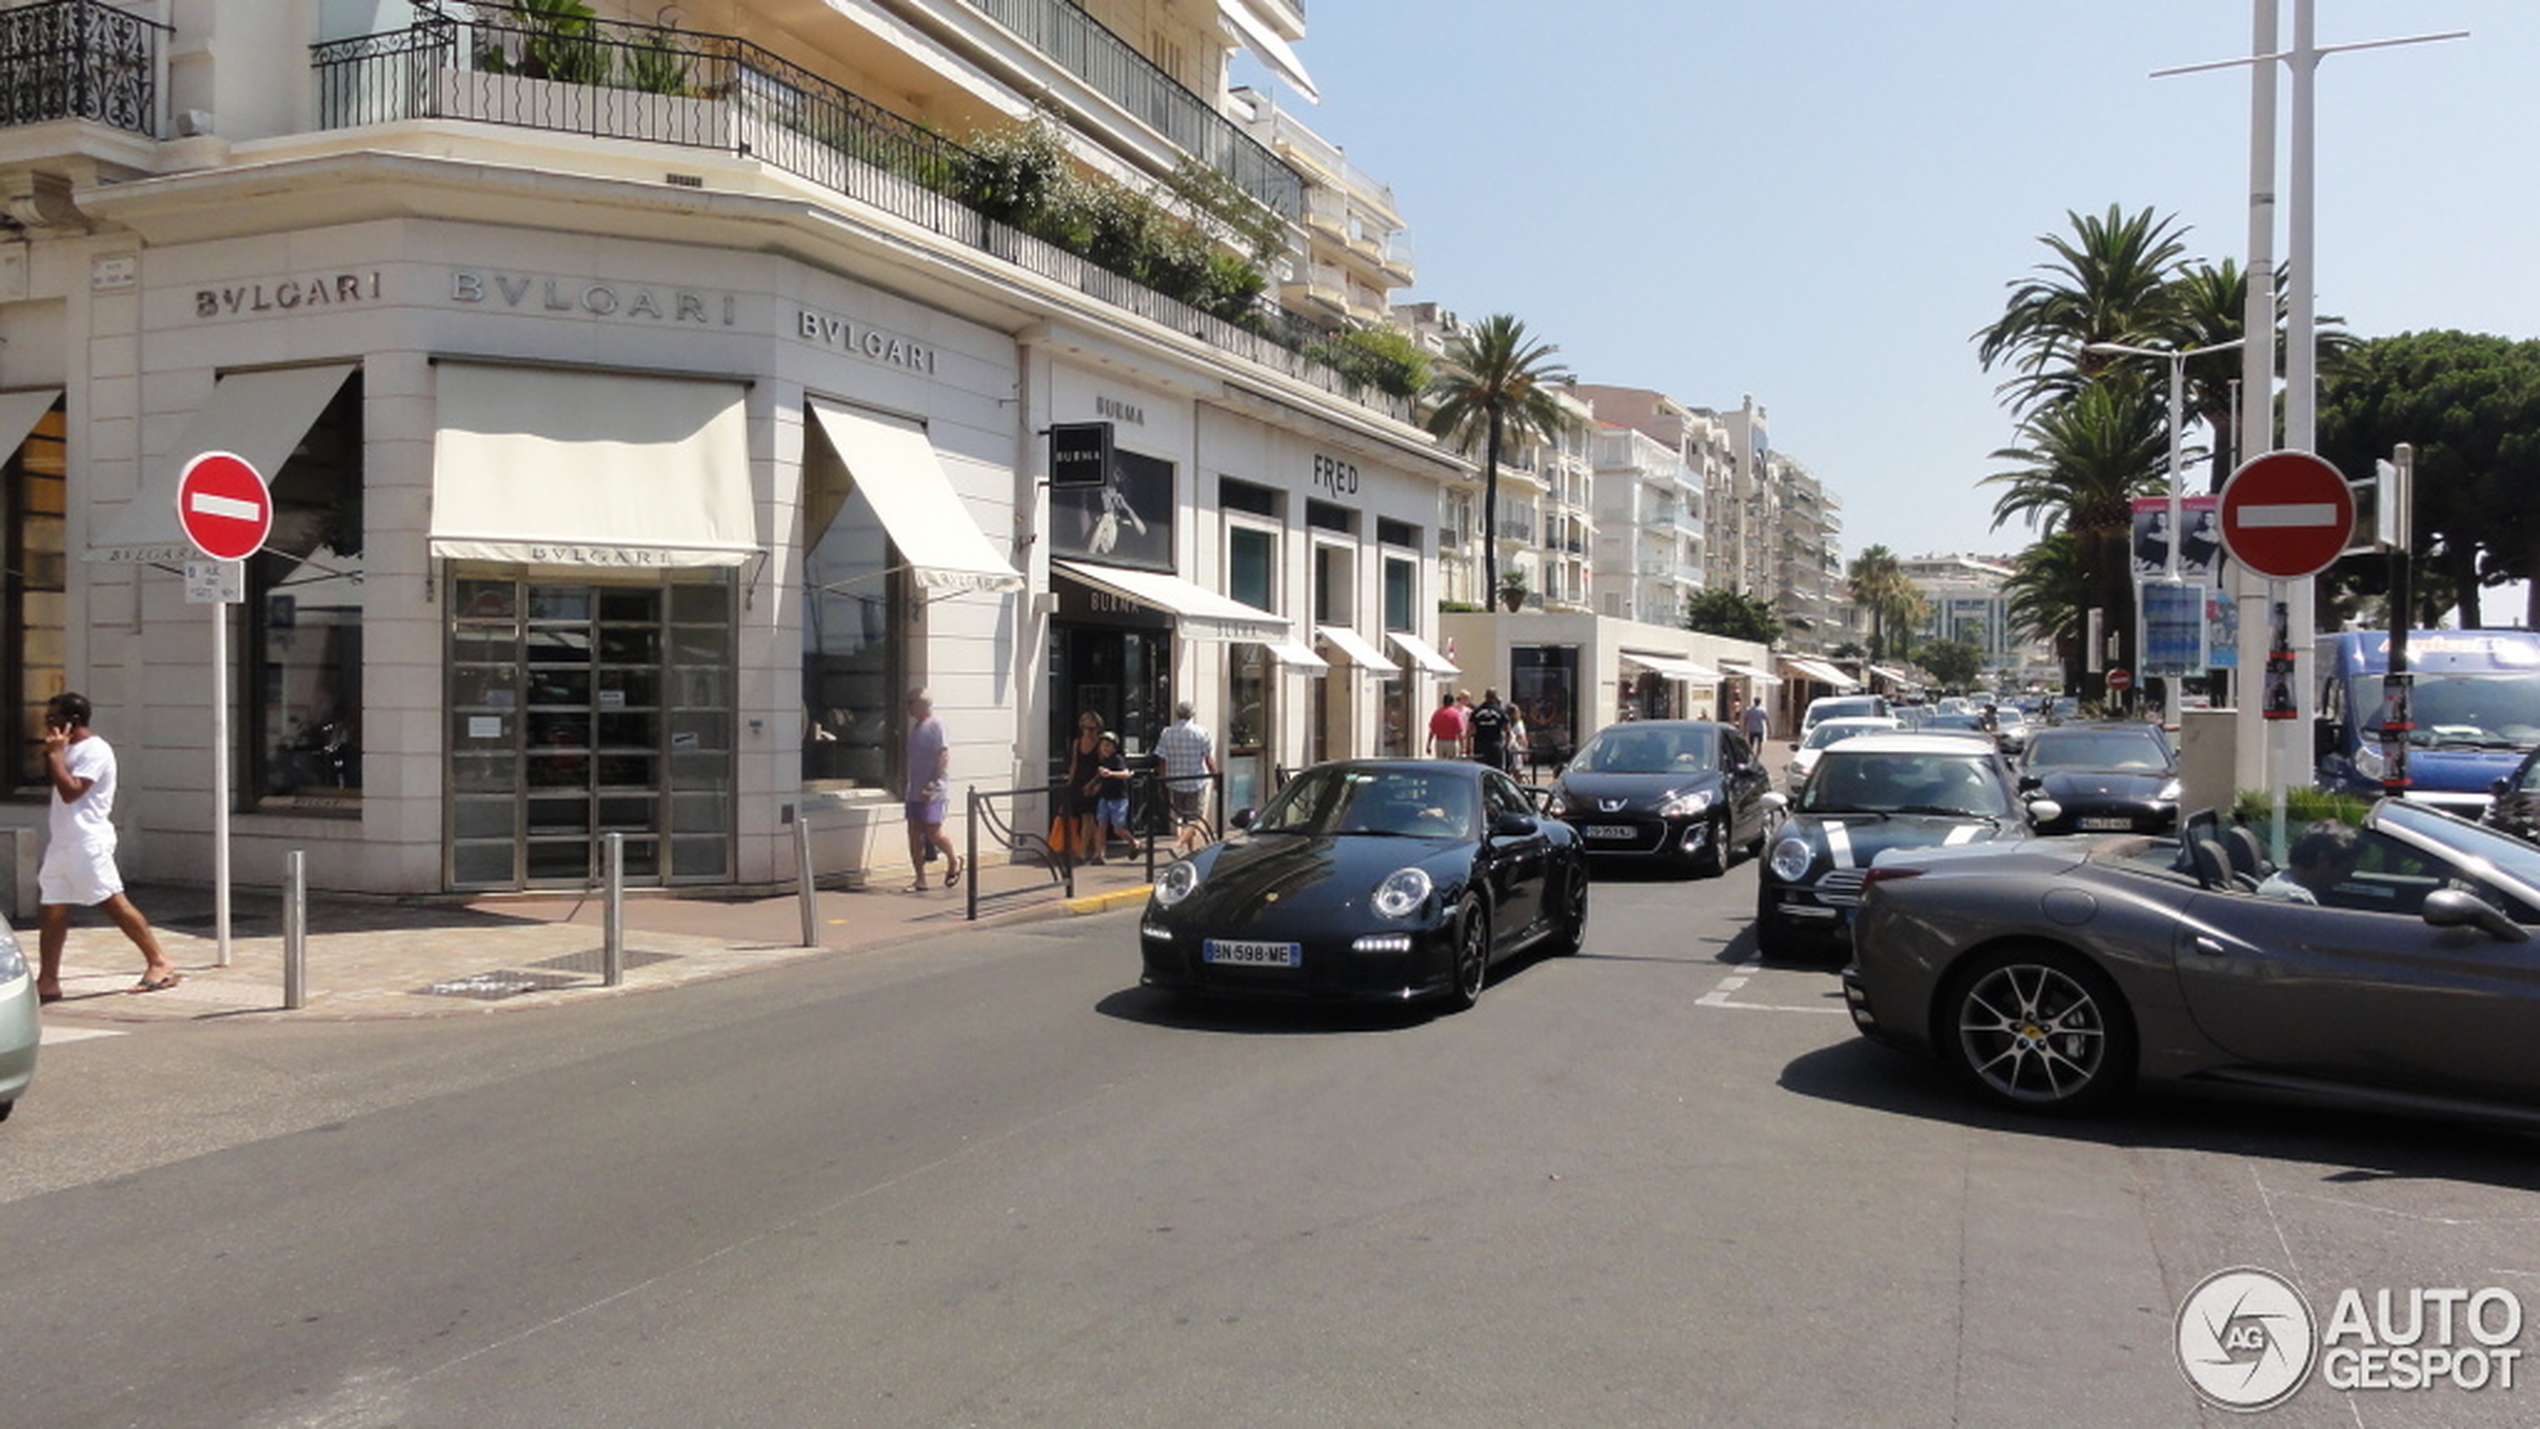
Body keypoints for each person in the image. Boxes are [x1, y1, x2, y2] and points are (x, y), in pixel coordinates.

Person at [32, 692, 178, 1001]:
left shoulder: (96, 751)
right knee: (52, 908)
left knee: (112, 902)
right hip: (62, 843)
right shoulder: (66, 749)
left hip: (88, 842)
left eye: (53, 718)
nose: (48, 724)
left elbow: (72, 791)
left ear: (72, 721)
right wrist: (53, 755)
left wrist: (56, 756)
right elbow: (56, 783)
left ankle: (159, 961)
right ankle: (48, 980)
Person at [902, 687, 960, 892]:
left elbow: (943, 756)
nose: (908, 707)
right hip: (914, 788)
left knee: (933, 832)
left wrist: (933, 785)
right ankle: (920, 878)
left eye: (911, 702)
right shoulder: (916, 728)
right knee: (914, 832)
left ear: (922, 704)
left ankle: (953, 860)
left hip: (932, 790)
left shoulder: (937, 725)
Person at [2257, 821, 2363, 905]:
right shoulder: (2298, 899)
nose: (2346, 878)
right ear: (2323, 860)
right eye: (2345, 869)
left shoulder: (2276, 880)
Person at [1154, 700, 1218, 836]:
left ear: (1177, 714)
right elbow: (1208, 759)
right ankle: (1189, 845)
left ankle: (1185, 841)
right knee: (1194, 817)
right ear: (1193, 714)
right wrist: (1216, 777)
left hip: (1175, 781)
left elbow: (1162, 760)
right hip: (1195, 781)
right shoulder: (1201, 732)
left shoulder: (1167, 733)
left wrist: (1162, 781)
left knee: (1181, 815)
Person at [1063, 709, 1105, 863]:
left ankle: (1082, 852)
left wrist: (1096, 784)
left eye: (1092, 729)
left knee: (1088, 817)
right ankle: (1098, 852)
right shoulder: (1077, 743)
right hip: (1079, 782)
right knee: (1088, 819)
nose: (1088, 732)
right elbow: (1074, 764)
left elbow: (1102, 766)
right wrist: (1069, 783)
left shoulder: (1101, 744)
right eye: (1085, 728)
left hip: (1093, 783)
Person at [1089, 732, 1137, 859]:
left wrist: (1110, 774)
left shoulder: (1117, 759)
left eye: (1108, 745)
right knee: (1101, 825)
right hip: (1105, 797)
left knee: (1118, 829)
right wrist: (1093, 785)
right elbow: (1100, 777)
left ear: (1114, 748)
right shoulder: (1102, 760)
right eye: (1102, 745)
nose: (1104, 748)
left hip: (1118, 798)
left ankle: (1134, 842)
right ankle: (1099, 854)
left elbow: (1126, 774)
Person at [1467, 688, 1510, 770]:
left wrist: (1468, 746)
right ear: (1495, 697)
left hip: (1480, 745)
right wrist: (1506, 745)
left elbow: (1469, 730)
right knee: (1496, 771)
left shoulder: (1477, 711)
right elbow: (1508, 730)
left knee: (1480, 770)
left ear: (1485, 696)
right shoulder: (1500, 711)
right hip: (1495, 745)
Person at [1427, 691, 1466, 759]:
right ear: (1452, 702)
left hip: (1440, 742)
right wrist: (1462, 747)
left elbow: (1432, 731)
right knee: (1452, 765)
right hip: (1452, 742)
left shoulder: (1437, 713)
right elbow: (1459, 731)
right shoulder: (1456, 714)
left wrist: (1428, 744)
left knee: (1440, 764)